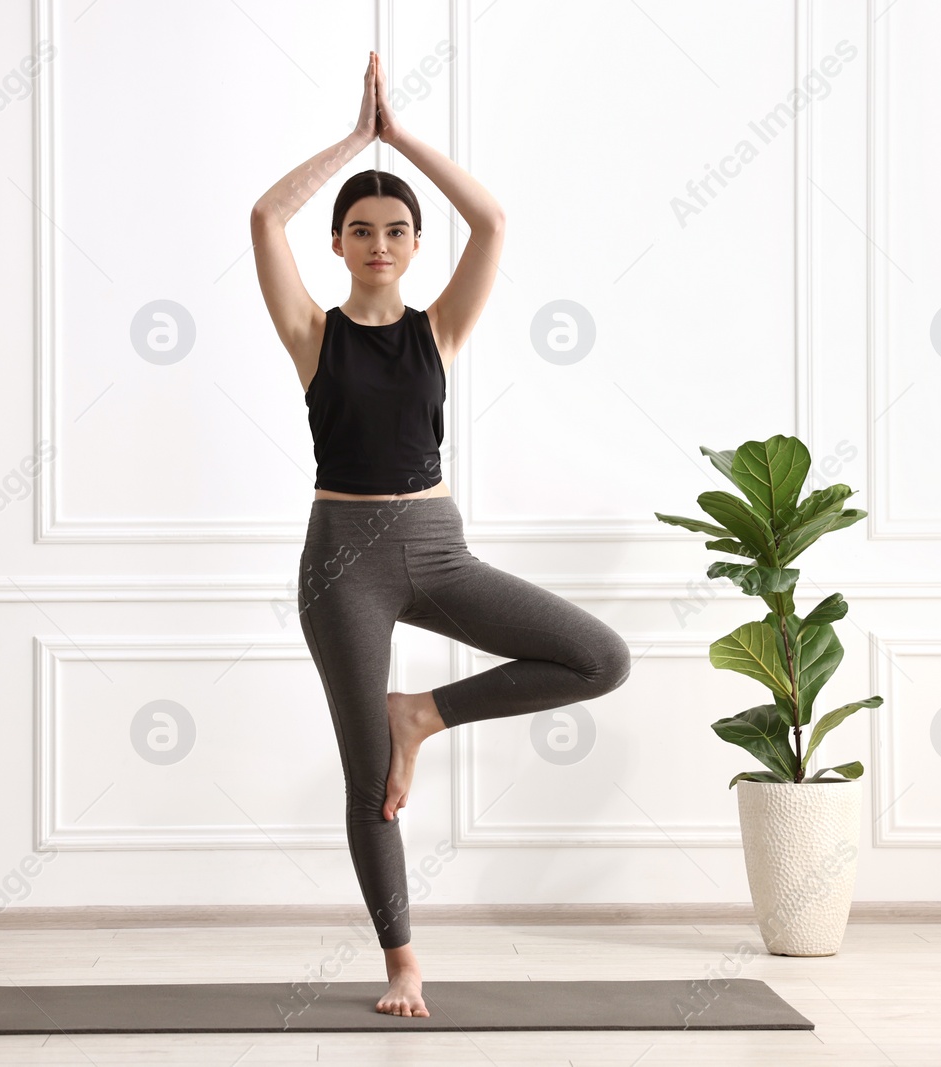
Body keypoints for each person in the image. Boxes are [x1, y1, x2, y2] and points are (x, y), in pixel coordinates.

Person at [249, 51, 632, 1018]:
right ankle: (404, 962)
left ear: (416, 245)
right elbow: (262, 218)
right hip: (343, 564)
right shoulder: (311, 333)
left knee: (599, 657)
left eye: (397, 230)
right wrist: (353, 140)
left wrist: (400, 134)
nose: (380, 243)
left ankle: (423, 711)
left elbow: (495, 220)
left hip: (440, 549)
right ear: (338, 243)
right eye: (362, 230)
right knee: (366, 775)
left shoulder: (439, 330)